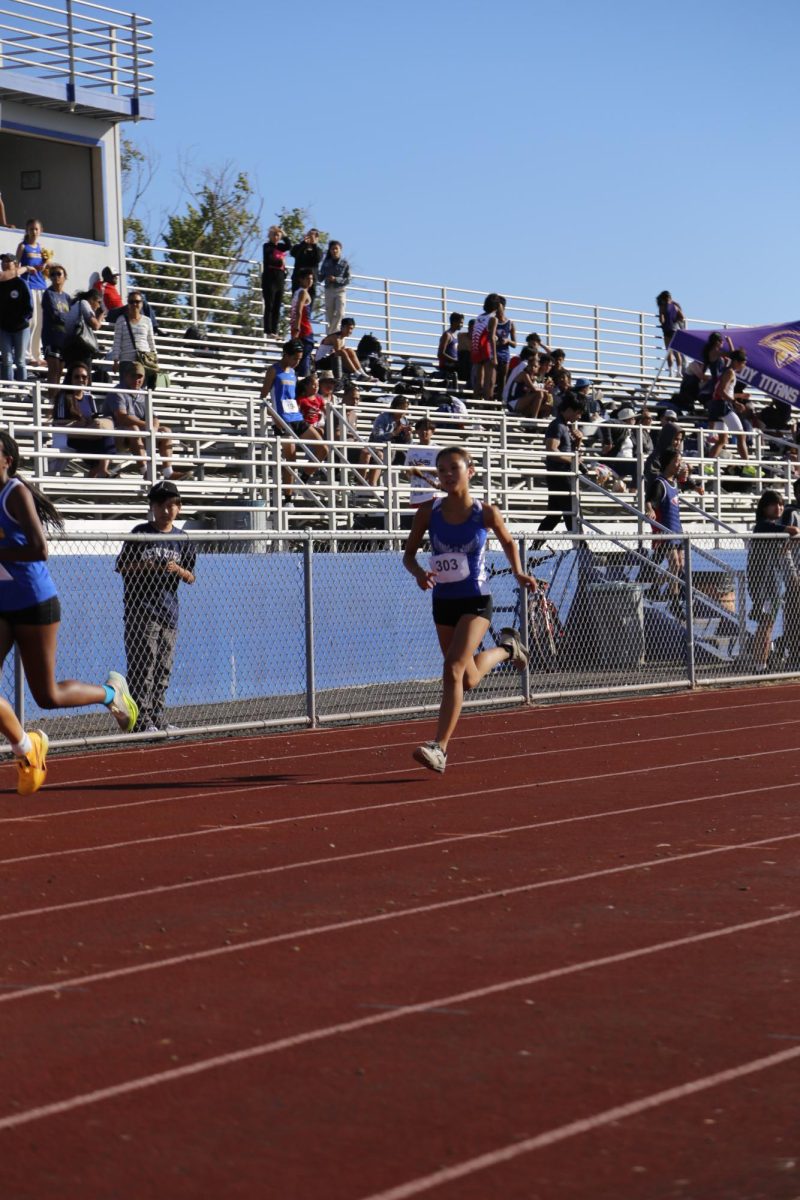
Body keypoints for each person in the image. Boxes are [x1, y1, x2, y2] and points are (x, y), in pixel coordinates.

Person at [0, 430, 137, 793]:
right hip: (1, 604)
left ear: (6, 460)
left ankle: (111, 693)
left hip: (34, 602)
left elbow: (39, 549)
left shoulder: (15, 493)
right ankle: (26, 750)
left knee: (47, 696)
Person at [402, 445, 537, 773]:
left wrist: (518, 571)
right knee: (468, 678)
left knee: (451, 669)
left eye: (454, 468)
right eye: (442, 470)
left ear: (470, 471)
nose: (447, 475)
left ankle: (440, 748)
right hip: (443, 601)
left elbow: (507, 541)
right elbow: (408, 555)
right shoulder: (428, 511)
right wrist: (420, 573)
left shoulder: (485, 513)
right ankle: (508, 648)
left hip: (476, 600)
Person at [115, 480, 196, 734]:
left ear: (179, 508)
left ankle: (158, 715)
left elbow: (191, 576)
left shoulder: (182, 539)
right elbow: (121, 566)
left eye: (172, 505)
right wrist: (146, 567)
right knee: (144, 666)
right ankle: (141, 718)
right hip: (142, 610)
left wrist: (178, 570)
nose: (166, 510)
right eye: (160, 504)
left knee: (164, 667)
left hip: (169, 612)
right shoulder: (140, 532)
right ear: (152, 507)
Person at [259, 339, 325, 498]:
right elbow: (263, 397)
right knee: (291, 460)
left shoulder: (293, 373)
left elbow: (292, 398)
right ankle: (288, 497)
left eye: (300, 359)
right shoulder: (273, 370)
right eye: (295, 358)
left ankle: (303, 480)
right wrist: (274, 417)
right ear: (286, 355)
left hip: (297, 418)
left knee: (323, 449)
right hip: (283, 421)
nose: (297, 362)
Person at [747, 490, 799, 672]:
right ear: (764, 507)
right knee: (765, 623)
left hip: (774, 585)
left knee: (768, 624)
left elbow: (784, 551)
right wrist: (791, 533)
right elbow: (792, 530)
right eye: (774, 504)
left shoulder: (774, 527)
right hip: (763, 586)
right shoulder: (762, 526)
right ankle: (759, 664)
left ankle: (763, 663)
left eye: (781, 504)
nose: (779, 508)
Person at [103, 361, 175, 478]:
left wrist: (154, 428)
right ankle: (145, 471)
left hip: (138, 434)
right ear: (126, 376)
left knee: (166, 431)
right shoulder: (117, 392)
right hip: (115, 436)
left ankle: (168, 472)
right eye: (133, 375)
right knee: (134, 428)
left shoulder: (143, 393)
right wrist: (147, 425)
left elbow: (154, 417)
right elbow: (122, 418)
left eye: (139, 376)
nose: (137, 379)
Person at [51, 360, 113, 477]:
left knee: (107, 433)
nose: (81, 380)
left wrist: (93, 422)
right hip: (70, 436)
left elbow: (93, 417)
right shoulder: (64, 397)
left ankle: (99, 471)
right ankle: (100, 471)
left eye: (84, 377)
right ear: (70, 379)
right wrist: (80, 423)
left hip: (88, 434)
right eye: (77, 377)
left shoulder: (89, 398)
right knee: (103, 441)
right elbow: (57, 422)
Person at [537, 392, 585, 537]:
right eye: (578, 413)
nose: (579, 417)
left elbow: (566, 450)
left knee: (554, 516)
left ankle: (533, 550)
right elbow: (551, 449)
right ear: (570, 409)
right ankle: (582, 549)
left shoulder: (564, 426)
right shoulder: (557, 425)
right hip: (560, 476)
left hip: (561, 475)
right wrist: (573, 460)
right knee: (574, 511)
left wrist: (578, 442)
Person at [645, 447, 685, 612]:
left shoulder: (674, 484)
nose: (679, 465)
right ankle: (674, 602)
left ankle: (655, 587)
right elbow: (650, 501)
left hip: (677, 531)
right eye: (677, 462)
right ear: (668, 463)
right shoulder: (659, 483)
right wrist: (650, 510)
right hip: (665, 532)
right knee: (674, 564)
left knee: (679, 565)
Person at [707, 348, 749, 460]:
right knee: (741, 435)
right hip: (723, 406)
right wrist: (735, 403)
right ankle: (747, 465)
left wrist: (738, 397)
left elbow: (723, 391)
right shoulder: (730, 372)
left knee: (722, 440)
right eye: (743, 363)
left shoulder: (727, 370)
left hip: (717, 406)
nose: (744, 366)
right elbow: (721, 391)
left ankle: (707, 464)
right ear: (736, 362)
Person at [15, 218, 47, 365]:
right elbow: (16, 267)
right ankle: (27, 354)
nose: (33, 232)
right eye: (31, 229)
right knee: (31, 320)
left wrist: (44, 265)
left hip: (41, 286)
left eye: (36, 229)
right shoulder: (23, 247)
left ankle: (36, 354)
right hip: (28, 286)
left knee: (40, 322)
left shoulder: (41, 248)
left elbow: (43, 267)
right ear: (27, 230)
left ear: (40, 231)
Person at [111, 290, 158, 386]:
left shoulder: (147, 321)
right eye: (131, 302)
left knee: (141, 391)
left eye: (137, 302)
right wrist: (115, 360)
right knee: (125, 389)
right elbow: (117, 342)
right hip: (126, 360)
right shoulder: (121, 320)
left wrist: (155, 358)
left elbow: (151, 341)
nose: (134, 304)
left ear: (141, 304)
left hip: (143, 360)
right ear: (128, 304)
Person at [0, 254, 32, 384]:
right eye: (3, 261)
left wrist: (21, 319)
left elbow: (29, 307)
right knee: (7, 359)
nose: (5, 264)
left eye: (8, 261)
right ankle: (7, 389)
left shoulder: (21, 283)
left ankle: (21, 391)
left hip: (20, 328)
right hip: (3, 328)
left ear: (16, 265)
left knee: (20, 360)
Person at [41, 263, 72, 386]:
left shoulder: (67, 297)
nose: (55, 277)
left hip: (64, 339)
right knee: (53, 369)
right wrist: (69, 319)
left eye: (59, 274)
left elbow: (72, 314)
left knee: (60, 371)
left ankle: (55, 399)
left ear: (65, 277)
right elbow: (55, 314)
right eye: (52, 274)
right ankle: (52, 398)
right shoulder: (48, 294)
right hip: (52, 337)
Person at [403, 418, 440, 513]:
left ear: (432, 432)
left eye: (427, 429)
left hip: (431, 494)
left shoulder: (437, 450)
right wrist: (411, 472)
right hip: (415, 495)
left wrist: (425, 469)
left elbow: (442, 473)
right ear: (417, 431)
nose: (424, 432)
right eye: (421, 429)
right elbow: (406, 471)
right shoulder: (412, 449)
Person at [261, 225, 292, 336]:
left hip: (280, 279)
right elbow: (269, 259)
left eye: (278, 235)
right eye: (274, 234)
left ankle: (274, 330)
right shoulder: (267, 246)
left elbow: (289, 246)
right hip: (269, 279)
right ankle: (268, 329)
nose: (276, 236)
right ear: (270, 235)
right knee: (269, 305)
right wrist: (281, 261)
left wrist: (284, 234)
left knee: (277, 306)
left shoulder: (280, 246)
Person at [471, 294, 500, 402]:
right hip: (486, 348)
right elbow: (491, 337)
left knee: (479, 380)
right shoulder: (493, 318)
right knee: (489, 380)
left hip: (476, 347)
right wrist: (495, 356)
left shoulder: (479, 317)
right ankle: (488, 404)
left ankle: (476, 402)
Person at [318, 240, 351, 333]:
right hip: (329, 290)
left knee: (340, 313)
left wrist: (336, 279)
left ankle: (332, 333)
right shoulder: (326, 263)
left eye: (336, 249)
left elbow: (348, 279)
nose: (334, 251)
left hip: (340, 290)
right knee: (329, 314)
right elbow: (320, 277)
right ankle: (331, 334)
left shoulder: (344, 263)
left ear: (340, 250)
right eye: (332, 249)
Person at [290, 268, 315, 376]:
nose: (310, 281)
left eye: (312, 279)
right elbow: (299, 311)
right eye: (307, 279)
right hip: (304, 330)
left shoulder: (296, 292)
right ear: (301, 280)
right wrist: (297, 328)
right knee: (303, 357)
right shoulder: (303, 292)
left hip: (300, 328)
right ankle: (304, 378)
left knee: (299, 356)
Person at [656, 290, 686, 376]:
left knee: (669, 352)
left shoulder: (662, 307)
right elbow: (682, 317)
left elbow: (661, 320)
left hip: (667, 331)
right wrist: (675, 320)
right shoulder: (675, 307)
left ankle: (670, 372)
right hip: (675, 330)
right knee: (677, 352)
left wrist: (663, 321)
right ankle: (679, 371)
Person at [290, 228, 322, 302]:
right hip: (298, 281)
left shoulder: (318, 251)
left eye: (315, 235)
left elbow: (317, 259)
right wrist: (304, 243)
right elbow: (293, 253)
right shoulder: (300, 247)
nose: (312, 237)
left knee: (308, 308)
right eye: (310, 234)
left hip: (311, 283)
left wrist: (314, 245)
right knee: (296, 304)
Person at [494, 297, 516, 401]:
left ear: (503, 307)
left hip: (504, 355)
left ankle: (499, 404)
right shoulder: (492, 321)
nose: (497, 310)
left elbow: (514, 344)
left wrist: (507, 341)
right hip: (494, 353)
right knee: (492, 380)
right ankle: (490, 405)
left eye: (498, 307)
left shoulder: (510, 323)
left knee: (502, 381)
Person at [437, 313, 463, 385]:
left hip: (454, 366)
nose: (462, 325)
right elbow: (440, 354)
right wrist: (455, 361)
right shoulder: (447, 335)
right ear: (454, 322)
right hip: (447, 367)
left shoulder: (457, 336)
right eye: (460, 322)